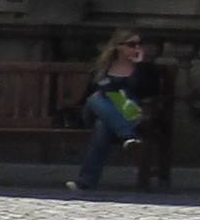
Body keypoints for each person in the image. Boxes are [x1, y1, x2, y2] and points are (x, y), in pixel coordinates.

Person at [70, 28, 166, 191]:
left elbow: (150, 92)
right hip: (95, 111)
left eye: (140, 44)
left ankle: (86, 181)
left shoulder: (146, 69)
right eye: (132, 44)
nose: (137, 48)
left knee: (102, 126)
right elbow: (88, 94)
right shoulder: (103, 67)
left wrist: (140, 67)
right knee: (97, 98)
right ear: (118, 47)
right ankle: (128, 134)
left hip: (128, 112)